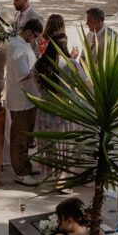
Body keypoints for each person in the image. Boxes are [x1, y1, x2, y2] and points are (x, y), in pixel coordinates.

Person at [34, 14, 79, 181]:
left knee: (48, 142)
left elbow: (37, 83)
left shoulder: (40, 63)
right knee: (64, 143)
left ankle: (50, 174)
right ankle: (63, 176)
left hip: (46, 106)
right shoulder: (71, 64)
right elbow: (81, 83)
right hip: (64, 108)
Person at [6, 17, 43, 185]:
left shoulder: (25, 45)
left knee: (27, 136)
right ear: (28, 32)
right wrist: (38, 69)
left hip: (28, 99)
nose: (35, 39)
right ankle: (20, 171)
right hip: (20, 101)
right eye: (35, 36)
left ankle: (26, 165)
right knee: (19, 137)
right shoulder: (16, 47)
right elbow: (22, 74)